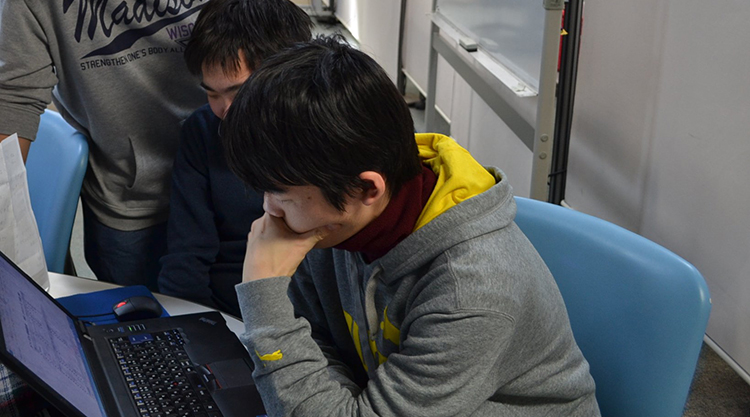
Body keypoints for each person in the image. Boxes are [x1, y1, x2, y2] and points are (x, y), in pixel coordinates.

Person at [221, 36, 601, 417]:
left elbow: (297, 347)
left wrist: (263, 298)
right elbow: (313, 338)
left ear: (367, 188)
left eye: (281, 195)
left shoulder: (470, 290)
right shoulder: (335, 218)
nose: (269, 210)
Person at [0, 0, 295, 289]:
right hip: (131, 201)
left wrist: (239, 64)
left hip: (238, 179)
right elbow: (13, 97)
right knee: (146, 325)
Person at [158, 0, 314, 317]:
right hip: (227, 310)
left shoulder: (328, 132)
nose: (226, 111)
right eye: (212, 94)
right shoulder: (202, 131)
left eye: (240, 91)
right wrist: (198, 328)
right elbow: (187, 256)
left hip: (306, 314)